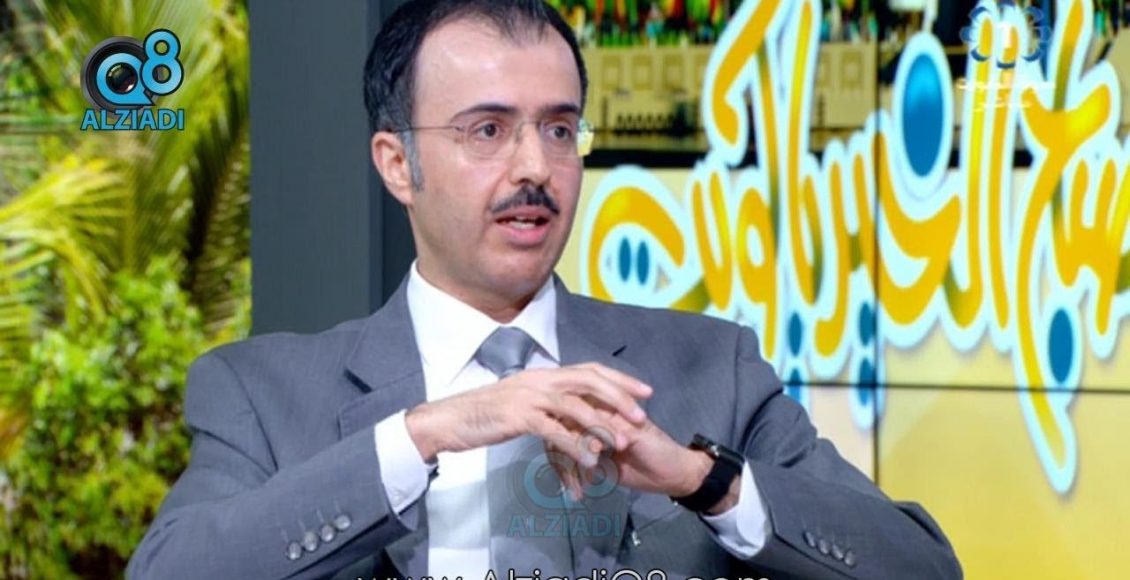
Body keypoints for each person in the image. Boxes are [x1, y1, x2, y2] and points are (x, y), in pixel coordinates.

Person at [127, 1, 962, 578]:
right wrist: (424, 433)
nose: (535, 167)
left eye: (560, 129)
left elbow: (922, 566)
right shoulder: (262, 394)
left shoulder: (715, 369)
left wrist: (700, 481)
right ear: (397, 164)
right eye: (487, 130)